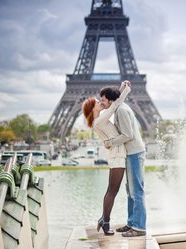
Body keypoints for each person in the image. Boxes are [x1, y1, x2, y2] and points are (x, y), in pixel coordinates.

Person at [82, 81, 131, 236]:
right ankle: (105, 221)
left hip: (116, 154)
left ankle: (104, 219)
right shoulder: (99, 120)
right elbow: (115, 106)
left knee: (111, 190)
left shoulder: (101, 118)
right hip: (117, 156)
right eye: (97, 102)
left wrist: (121, 88)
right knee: (112, 191)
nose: (100, 102)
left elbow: (112, 103)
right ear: (92, 108)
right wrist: (126, 90)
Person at [100, 83, 147, 237]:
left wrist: (110, 143)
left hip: (134, 153)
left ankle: (139, 228)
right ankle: (132, 223)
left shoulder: (120, 110)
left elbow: (128, 135)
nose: (102, 103)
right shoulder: (120, 107)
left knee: (136, 192)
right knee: (130, 192)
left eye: (103, 100)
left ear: (111, 100)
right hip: (131, 153)